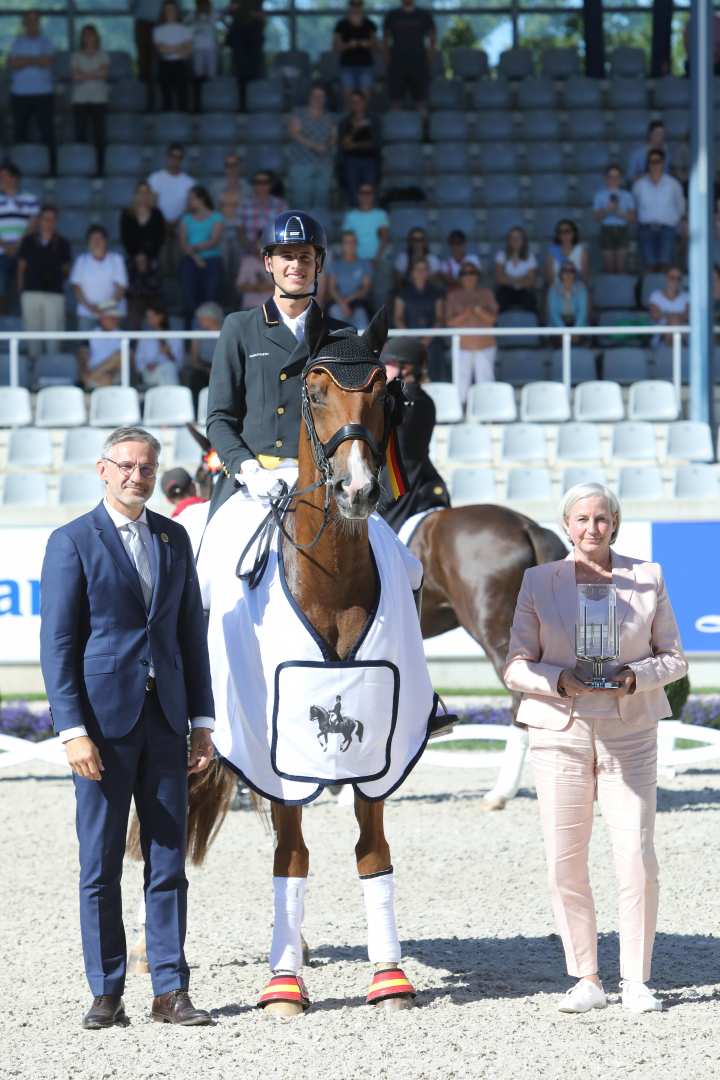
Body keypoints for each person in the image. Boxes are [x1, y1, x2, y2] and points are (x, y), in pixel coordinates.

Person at [40, 426, 215, 1029]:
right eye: (127, 466)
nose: (138, 476)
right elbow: (58, 644)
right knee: (100, 862)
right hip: (102, 728)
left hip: (166, 720)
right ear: (103, 469)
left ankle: (169, 989)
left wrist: (202, 720)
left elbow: (190, 634)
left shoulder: (173, 537)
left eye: (148, 467)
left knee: (167, 860)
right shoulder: (72, 541)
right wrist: (71, 730)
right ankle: (107, 990)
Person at [504, 482, 687, 1015]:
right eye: (582, 519)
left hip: (629, 733)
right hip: (559, 734)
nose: (592, 528)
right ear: (567, 526)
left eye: (602, 519)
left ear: (616, 523)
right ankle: (586, 976)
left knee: (636, 856)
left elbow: (674, 657)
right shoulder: (539, 581)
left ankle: (636, 979)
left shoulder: (647, 577)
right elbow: (517, 664)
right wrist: (559, 681)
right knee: (565, 859)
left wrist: (634, 677)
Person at [205, 209, 349, 515]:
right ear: (269, 262)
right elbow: (219, 418)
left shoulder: (340, 335)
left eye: (305, 257)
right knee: (214, 560)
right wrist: (248, 469)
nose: (296, 265)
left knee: (394, 559)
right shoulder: (240, 327)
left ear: (318, 264)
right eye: (286, 256)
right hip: (255, 480)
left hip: (324, 481)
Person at [378, 336, 449, 534]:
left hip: (395, 482)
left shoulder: (395, 399)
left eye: (388, 363)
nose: (383, 368)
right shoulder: (425, 399)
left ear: (406, 368)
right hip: (423, 476)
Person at [17, 204, 71, 358]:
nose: (49, 222)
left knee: (53, 336)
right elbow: (21, 267)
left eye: (52, 219)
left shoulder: (62, 243)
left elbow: (66, 269)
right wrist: (21, 289)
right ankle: (34, 376)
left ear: (56, 222)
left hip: (54, 294)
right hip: (31, 292)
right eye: (46, 218)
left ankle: (52, 369)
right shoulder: (28, 241)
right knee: (32, 336)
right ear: (40, 220)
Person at [445, 260, 498, 404]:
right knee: (460, 386)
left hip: (485, 346)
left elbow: (492, 319)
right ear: (460, 277)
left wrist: (478, 310)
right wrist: (467, 313)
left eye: (472, 273)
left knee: (486, 383)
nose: (468, 276)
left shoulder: (486, 293)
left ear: (477, 276)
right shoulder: (453, 295)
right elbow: (449, 322)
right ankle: (459, 417)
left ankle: (488, 415)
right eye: (464, 273)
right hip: (462, 347)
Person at [8, 11, 55, 169]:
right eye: (29, 21)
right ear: (24, 23)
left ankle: (50, 169)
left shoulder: (47, 42)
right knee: (20, 133)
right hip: (20, 94)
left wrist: (25, 60)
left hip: (43, 93)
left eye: (35, 21)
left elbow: (47, 61)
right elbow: (13, 63)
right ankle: (17, 170)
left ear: (39, 23)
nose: (32, 24)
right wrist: (35, 60)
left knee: (47, 133)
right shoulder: (17, 42)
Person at [120, 180, 166, 328]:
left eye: (146, 192)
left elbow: (160, 239)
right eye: (140, 191)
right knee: (134, 302)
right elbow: (126, 238)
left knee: (155, 300)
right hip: (133, 263)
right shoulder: (127, 215)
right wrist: (138, 255)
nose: (143, 195)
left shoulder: (157, 214)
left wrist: (146, 255)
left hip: (152, 263)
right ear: (136, 195)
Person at [393, 257, 446, 381]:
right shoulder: (403, 292)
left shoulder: (436, 292)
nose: (421, 272)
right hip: (408, 338)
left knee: (433, 362)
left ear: (428, 272)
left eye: (424, 269)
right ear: (412, 272)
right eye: (418, 269)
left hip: (432, 339)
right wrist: (412, 338)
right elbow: (398, 318)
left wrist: (427, 339)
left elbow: (439, 318)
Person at [179, 184, 224, 328]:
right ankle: (189, 339)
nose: (189, 202)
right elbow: (183, 242)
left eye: (192, 199)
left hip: (212, 261)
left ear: (201, 199)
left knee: (211, 299)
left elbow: (215, 240)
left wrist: (196, 248)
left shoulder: (216, 217)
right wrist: (196, 257)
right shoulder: (186, 219)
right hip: (191, 261)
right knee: (189, 299)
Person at [632, 149, 685, 271]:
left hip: (668, 229)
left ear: (663, 163)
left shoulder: (674, 184)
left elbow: (681, 206)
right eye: (652, 162)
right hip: (645, 229)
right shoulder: (639, 185)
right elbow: (634, 207)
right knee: (648, 265)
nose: (655, 165)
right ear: (648, 164)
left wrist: (676, 223)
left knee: (665, 265)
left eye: (658, 161)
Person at [148, 144, 196, 275]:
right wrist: (164, 224)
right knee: (161, 268)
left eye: (179, 157)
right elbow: (152, 204)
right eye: (173, 156)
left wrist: (175, 224)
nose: (175, 160)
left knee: (179, 268)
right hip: (159, 229)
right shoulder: (155, 178)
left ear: (182, 159)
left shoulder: (189, 182)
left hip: (180, 231)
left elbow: (189, 207)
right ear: (167, 157)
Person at [287, 85, 338, 208]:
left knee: (321, 202)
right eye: (315, 95)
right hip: (301, 163)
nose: (318, 98)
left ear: (325, 98)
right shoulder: (298, 113)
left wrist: (327, 145)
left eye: (321, 96)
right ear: (310, 97)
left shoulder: (330, 117)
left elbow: (334, 136)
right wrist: (314, 146)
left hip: (324, 164)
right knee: (301, 202)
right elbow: (294, 133)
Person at [70, 224, 128, 332]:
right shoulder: (81, 261)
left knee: (113, 347)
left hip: (112, 314)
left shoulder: (116, 260)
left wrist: (104, 307)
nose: (96, 242)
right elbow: (77, 288)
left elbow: (121, 289)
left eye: (99, 238)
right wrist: (90, 307)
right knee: (86, 347)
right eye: (93, 239)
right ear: (88, 243)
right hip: (87, 313)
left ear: (105, 241)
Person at [0, 161, 40, 313]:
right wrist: (5, 245)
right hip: (1, 254)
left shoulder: (29, 199)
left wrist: (17, 245)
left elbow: (34, 224)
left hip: (23, 254)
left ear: (14, 178)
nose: (0, 180)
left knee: (21, 291)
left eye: (3, 176)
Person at [70, 24, 109, 176]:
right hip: (80, 100)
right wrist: (94, 73)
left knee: (99, 136)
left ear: (96, 37)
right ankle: (81, 168)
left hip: (99, 99)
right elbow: (75, 76)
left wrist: (84, 74)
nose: (88, 38)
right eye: (85, 35)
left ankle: (100, 169)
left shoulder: (103, 55)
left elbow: (104, 74)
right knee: (81, 136)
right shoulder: (76, 55)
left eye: (91, 34)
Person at [383, 0, 436, 112]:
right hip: (397, 64)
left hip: (418, 64)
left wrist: (430, 56)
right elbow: (385, 39)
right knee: (395, 102)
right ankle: (395, 129)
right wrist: (387, 57)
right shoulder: (392, 15)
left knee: (421, 102)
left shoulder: (424, 15)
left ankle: (421, 128)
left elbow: (432, 37)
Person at [338, 90, 381, 203]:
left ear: (364, 102)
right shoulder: (345, 122)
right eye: (353, 102)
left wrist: (355, 144)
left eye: (359, 101)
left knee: (369, 193)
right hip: (351, 162)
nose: (356, 104)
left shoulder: (374, 120)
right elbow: (344, 145)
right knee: (353, 193)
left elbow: (375, 143)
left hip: (370, 161)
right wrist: (355, 130)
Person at [593, 164, 636, 274]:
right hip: (607, 230)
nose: (613, 180)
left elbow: (632, 218)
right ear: (606, 178)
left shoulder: (627, 196)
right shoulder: (600, 195)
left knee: (621, 267)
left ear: (620, 179)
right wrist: (607, 210)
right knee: (609, 267)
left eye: (616, 177)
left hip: (622, 230)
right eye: (611, 177)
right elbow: (596, 217)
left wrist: (618, 211)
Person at [224, 0, 266, 111]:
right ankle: (242, 106)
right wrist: (233, 9)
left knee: (255, 74)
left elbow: (262, 18)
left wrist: (254, 14)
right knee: (240, 75)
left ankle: (256, 105)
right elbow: (228, 12)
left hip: (254, 39)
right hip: (239, 40)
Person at [327, 229, 371, 330]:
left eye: (353, 242)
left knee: (361, 320)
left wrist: (348, 300)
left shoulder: (364, 264)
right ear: (342, 245)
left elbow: (365, 288)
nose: (350, 245)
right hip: (337, 302)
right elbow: (332, 288)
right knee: (335, 315)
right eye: (347, 242)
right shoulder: (335, 265)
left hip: (358, 303)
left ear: (357, 244)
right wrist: (342, 303)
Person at [333, 1, 378, 103]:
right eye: (354, 5)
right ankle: (348, 118)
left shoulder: (369, 24)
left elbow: (376, 46)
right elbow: (336, 47)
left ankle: (364, 118)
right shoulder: (341, 25)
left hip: (366, 65)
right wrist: (348, 45)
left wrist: (367, 44)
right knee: (347, 98)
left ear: (362, 7)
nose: (356, 8)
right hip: (347, 66)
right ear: (349, 7)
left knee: (365, 97)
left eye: (358, 5)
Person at [153, 0, 192, 112]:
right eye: (168, 10)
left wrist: (170, 48)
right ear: (163, 12)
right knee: (166, 98)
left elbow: (188, 52)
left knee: (183, 97)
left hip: (181, 65)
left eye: (172, 10)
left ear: (177, 11)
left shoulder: (185, 29)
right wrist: (180, 46)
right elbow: (162, 50)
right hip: (165, 65)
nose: (170, 12)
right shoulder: (158, 30)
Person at [134, 301, 183, 386]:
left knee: (168, 367)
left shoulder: (174, 337)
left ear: (161, 317)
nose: (149, 319)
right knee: (167, 370)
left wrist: (168, 353)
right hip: (150, 373)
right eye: (148, 317)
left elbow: (179, 365)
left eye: (152, 316)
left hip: (169, 372)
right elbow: (138, 362)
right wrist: (148, 366)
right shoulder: (144, 337)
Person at [185, 299, 223, 404]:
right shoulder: (197, 334)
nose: (199, 321)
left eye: (202, 319)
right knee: (196, 378)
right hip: (203, 367)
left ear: (212, 319)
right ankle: (196, 412)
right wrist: (206, 369)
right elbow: (193, 360)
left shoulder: (227, 331)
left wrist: (217, 370)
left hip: (223, 366)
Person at [238, 170, 287, 251]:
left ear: (271, 184)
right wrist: (250, 248)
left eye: (265, 182)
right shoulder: (244, 204)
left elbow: (285, 230)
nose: (261, 185)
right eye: (258, 182)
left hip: (275, 250)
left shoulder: (281, 205)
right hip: (249, 251)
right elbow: (239, 231)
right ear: (253, 185)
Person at [341, 182, 390, 262]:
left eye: (369, 193)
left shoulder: (381, 214)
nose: (366, 196)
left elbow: (384, 239)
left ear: (373, 195)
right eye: (362, 193)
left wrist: (377, 259)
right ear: (358, 195)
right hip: (356, 260)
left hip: (377, 259)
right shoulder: (350, 216)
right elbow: (346, 240)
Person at [494, 225, 538, 313]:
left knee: (531, 302)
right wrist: (522, 279)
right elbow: (499, 279)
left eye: (518, 237)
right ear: (508, 240)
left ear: (523, 240)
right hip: (506, 290)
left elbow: (531, 281)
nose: (515, 240)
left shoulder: (530, 256)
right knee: (500, 301)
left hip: (524, 290)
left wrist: (509, 278)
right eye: (512, 237)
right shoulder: (501, 255)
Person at [79, 303, 123, 389]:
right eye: (110, 317)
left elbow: (128, 361)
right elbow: (83, 357)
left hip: (115, 373)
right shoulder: (90, 335)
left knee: (120, 355)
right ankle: (91, 378)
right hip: (94, 373)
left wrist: (110, 371)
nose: (114, 320)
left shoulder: (125, 336)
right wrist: (86, 370)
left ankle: (90, 379)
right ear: (101, 318)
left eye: (115, 318)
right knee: (105, 379)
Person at [186, 0, 218, 112]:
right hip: (197, 48)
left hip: (210, 48)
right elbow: (186, 26)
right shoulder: (192, 14)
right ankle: (198, 105)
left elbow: (219, 19)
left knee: (211, 75)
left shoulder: (213, 13)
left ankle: (212, 104)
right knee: (198, 75)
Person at [648, 266, 689, 346]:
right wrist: (675, 317)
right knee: (675, 321)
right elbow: (655, 315)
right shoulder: (656, 295)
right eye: (672, 277)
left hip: (683, 334)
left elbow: (687, 316)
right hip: (661, 335)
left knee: (675, 322)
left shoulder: (687, 296)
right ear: (666, 278)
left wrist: (666, 315)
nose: (675, 281)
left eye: (678, 278)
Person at [547, 260, 589, 334]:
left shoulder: (581, 288)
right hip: (557, 326)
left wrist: (576, 331)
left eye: (571, 271)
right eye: (565, 270)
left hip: (577, 324)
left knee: (579, 338)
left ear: (575, 274)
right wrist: (563, 331)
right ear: (560, 273)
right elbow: (553, 313)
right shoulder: (553, 289)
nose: (568, 273)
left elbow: (582, 312)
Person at [133, 0, 161, 110]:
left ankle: (156, 102)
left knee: (160, 65)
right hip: (142, 23)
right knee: (145, 67)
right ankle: (147, 102)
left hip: (160, 22)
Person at [545, 219, 589, 285]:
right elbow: (550, 279)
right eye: (560, 232)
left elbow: (584, 279)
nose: (564, 234)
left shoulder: (582, 252)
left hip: (576, 291)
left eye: (567, 231)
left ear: (574, 233)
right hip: (557, 290)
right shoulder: (552, 251)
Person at [236, 231, 269, 309]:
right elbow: (240, 286)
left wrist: (270, 287)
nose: (262, 246)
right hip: (251, 307)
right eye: (260, 242)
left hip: (274, 307)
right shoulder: (247, 261)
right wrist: (257, 288)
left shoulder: (279, 261)